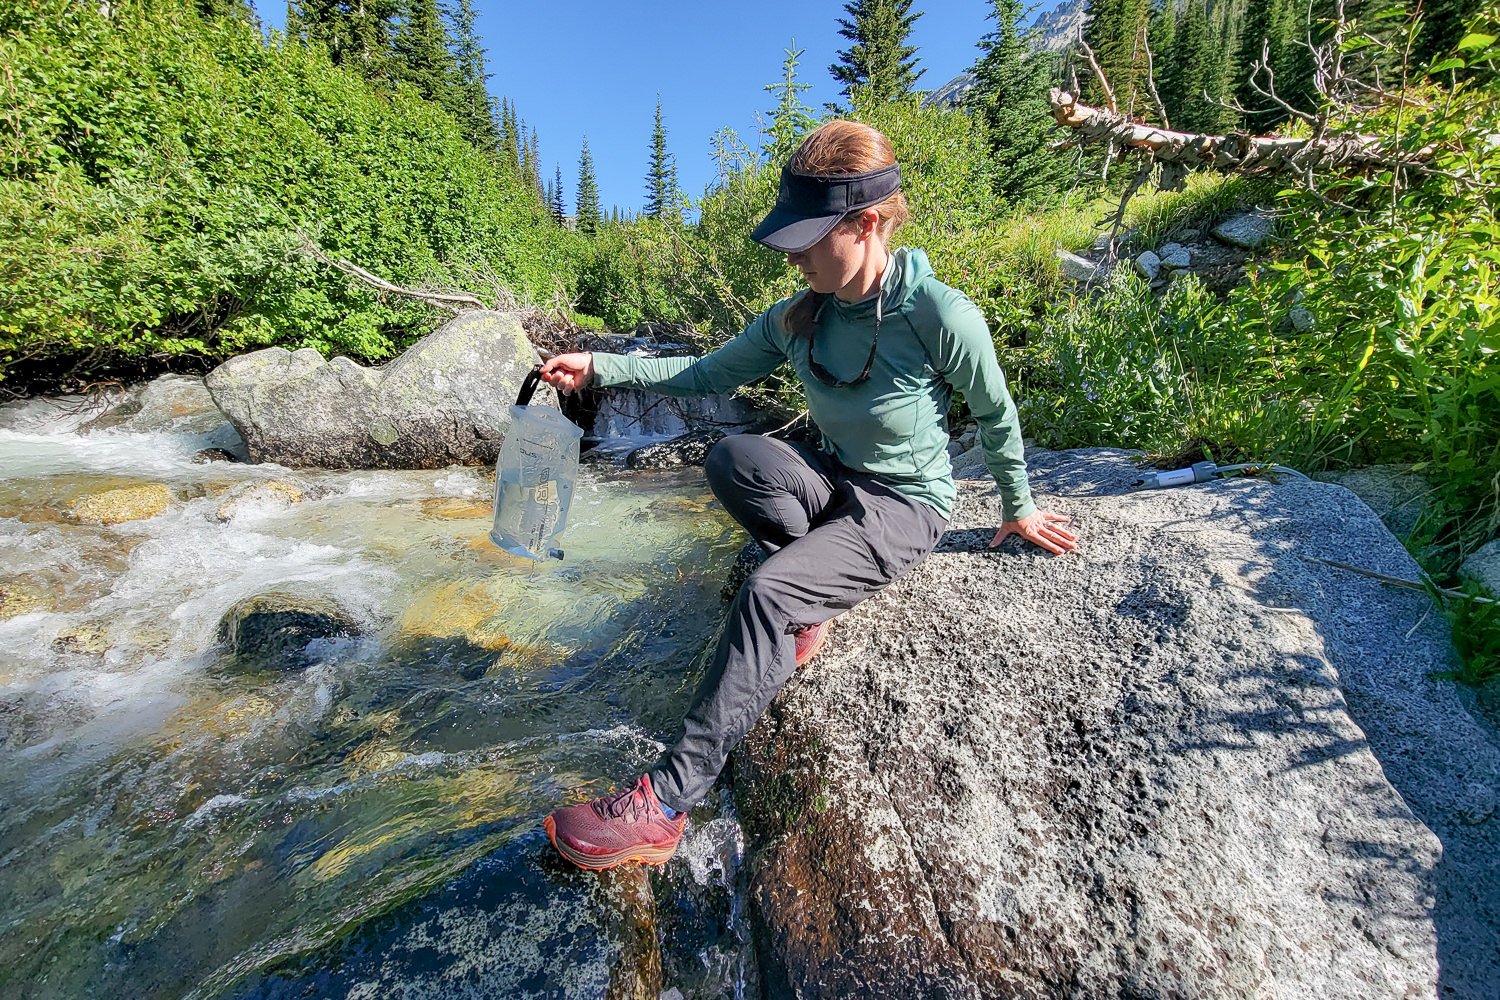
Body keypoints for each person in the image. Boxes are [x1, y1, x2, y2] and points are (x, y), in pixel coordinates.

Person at [538, 120, 1078, 871]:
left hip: (903, 507)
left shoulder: (937, 313)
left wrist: (1016, 507)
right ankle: (807, 595)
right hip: (831, 476)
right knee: (733, 457)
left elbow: (994, 410)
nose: (793, 257)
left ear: (864, 224)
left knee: (766, 593)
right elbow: (703, 375)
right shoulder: (801, 314)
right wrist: (600, 367)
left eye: (807, 239)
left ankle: (663, 805)